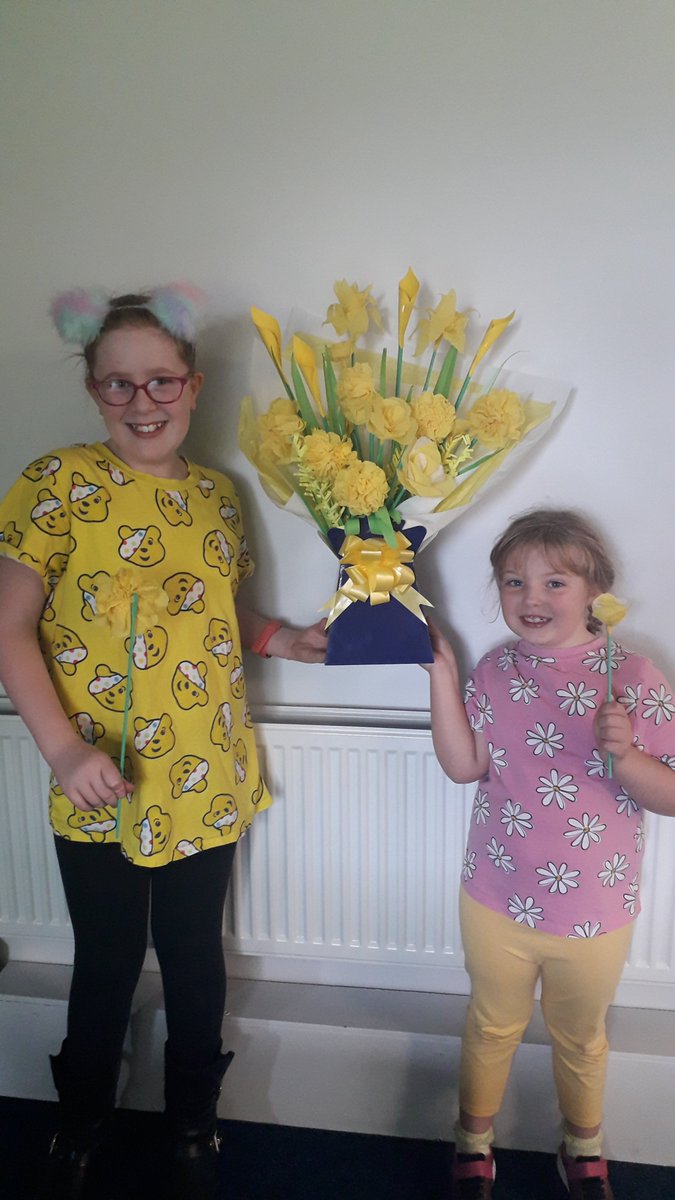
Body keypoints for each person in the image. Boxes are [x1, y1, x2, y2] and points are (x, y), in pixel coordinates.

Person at [0, 284, 327, 1200]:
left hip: (205, 771)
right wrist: (64, 749)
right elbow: (8, 626)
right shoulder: (57, 483)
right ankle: (81, 1119)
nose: (143, 403)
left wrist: (283, 639)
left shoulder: (218, 499)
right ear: (92, 391)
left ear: (191, 384)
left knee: (192, 955)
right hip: (99, 777)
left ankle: (193, 1119)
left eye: (160, 381)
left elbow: (218, 609)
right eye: (118, 386)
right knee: (104, 958)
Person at [425, 509, 675, 1200]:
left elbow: (670, 795)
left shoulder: (632, 675)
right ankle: (473, 1142)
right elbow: (463, 764)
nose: (530, 599)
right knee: (490, 1023)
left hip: (594, 907)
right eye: (513, 582)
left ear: (595, 587)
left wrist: (623, 755)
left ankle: (583, 1146)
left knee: (581, 1035)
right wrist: (441, 674)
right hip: (495, 895)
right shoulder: (496, 670)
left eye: (553, 582)